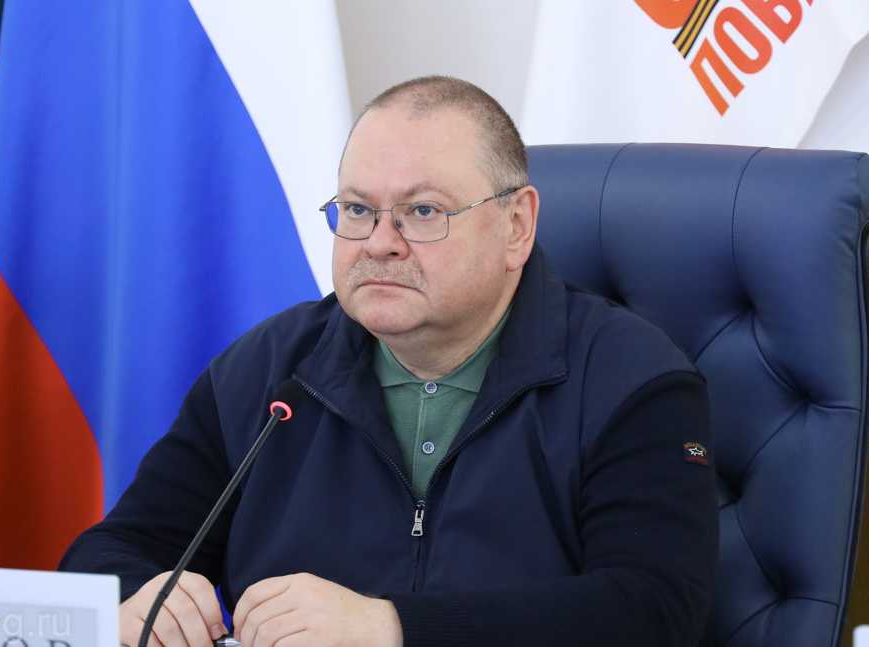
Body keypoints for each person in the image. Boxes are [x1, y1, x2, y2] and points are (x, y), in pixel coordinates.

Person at [60, 76, 718, 647]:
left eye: (422, 211)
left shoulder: (631, 376)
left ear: (516, 226)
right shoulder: (267, 368)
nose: (380, 243)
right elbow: (114, 549)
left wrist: (392, 627)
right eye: (357, 209)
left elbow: (653, 608)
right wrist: (139, 594)